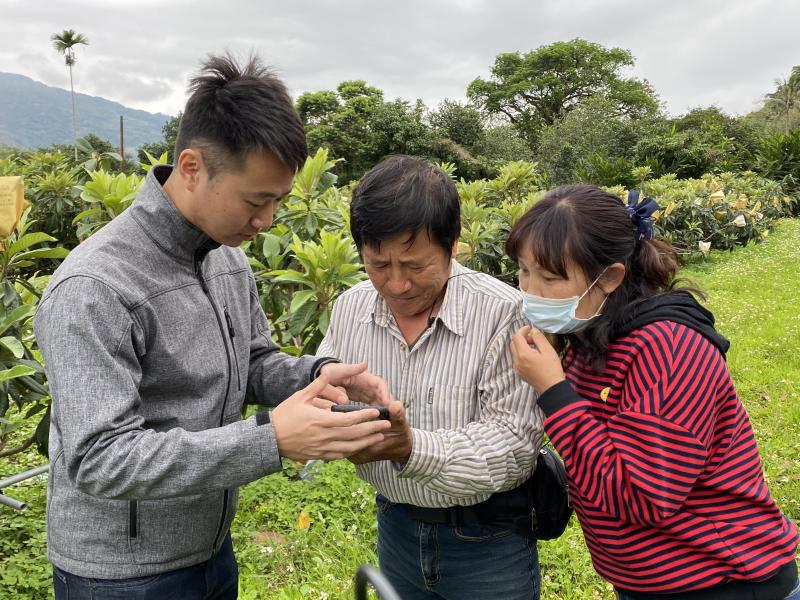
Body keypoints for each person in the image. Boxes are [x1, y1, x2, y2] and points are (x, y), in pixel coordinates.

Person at [34, 53, 392, 600]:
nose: (267, 220)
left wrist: (317, 374)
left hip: (210, 549)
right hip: (121, 576)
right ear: (193, 167)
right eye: (256, 200)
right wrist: (271, 439)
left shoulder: (226, 256)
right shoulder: (95, 287)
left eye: (278, 201)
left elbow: (250, 361)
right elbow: (99, 458)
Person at [506, 184, 799, 600]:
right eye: (523, 271)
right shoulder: (591, 338)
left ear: (609, 277)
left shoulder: (669, 349)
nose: (529, 292)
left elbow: (642, 496)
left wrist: (553, 390)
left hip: (724, 582)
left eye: (550, 277)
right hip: (650, 583)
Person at [317, 155, 545, 600]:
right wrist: (329, 410)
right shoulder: (350, 308)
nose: (397, 284)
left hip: (487, 540)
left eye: (415, 265)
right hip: (395, 527)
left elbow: (515, 445)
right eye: (378, 264)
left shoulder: (504, 313)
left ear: (453, 244)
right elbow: (326, 379)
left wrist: (411, 447)